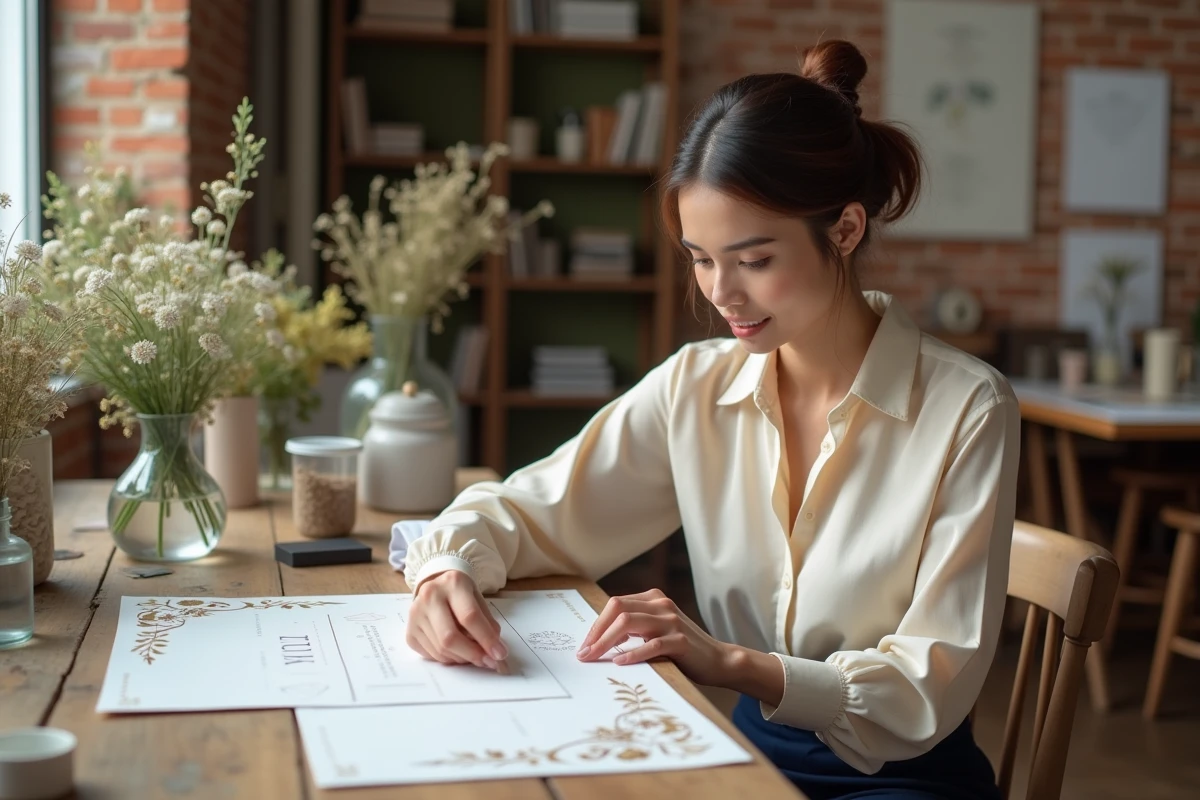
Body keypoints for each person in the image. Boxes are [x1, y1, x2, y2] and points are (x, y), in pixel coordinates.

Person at [397, 39, 1019, 800]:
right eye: (701, 257)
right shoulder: (696, 388)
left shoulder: (968, 408)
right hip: (742, 756)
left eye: (753, 260)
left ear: (846, 230)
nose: (721, 292)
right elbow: (535, 511)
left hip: (903, 780)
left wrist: (726, 662)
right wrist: (446, 570)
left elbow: (929, 684)